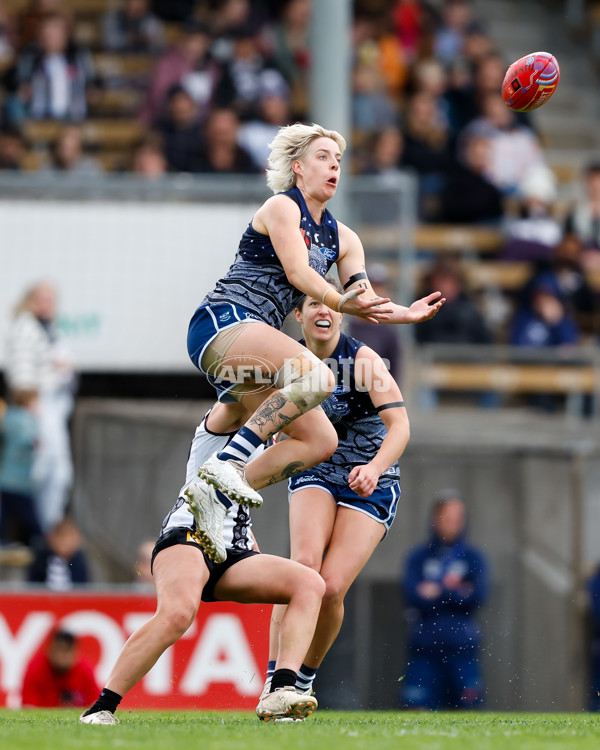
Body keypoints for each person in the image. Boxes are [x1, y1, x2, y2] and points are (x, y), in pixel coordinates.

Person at [183, 121, 444, 566]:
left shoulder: (346, 238)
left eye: (338, 160)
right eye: (323, 157)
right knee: (317, 377)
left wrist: (403, 312)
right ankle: (224, 466)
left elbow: (363, 300)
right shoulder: (281, 207)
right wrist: (341, 300)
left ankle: (213, 496)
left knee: (319, 441)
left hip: (255, 344)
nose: (334, 166)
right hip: (222, 322)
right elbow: (301, 275)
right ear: (297, 167)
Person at [79, 409, 325, 724]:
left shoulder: (270, 436)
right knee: (178, 614)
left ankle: (280, 690)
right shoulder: (226, 415)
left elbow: (242, 499)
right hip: (189, 534)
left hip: (233, 548)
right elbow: (236, 394)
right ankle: (101, 708)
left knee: (310, 584)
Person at [259, 278, 410, 706]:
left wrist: (375, 467)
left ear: (342, 315)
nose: (323, 312)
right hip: (317, 470)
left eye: (331, 307)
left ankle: (304, 678)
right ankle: (275, 683)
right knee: (301, 569)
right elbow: (273, 418)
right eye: (313, 304)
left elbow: (401, 428)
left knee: (329, 587)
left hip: (371, 478)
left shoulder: (364, 361)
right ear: (299, 315)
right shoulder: (286, 363)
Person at [400, 490, 489, 710]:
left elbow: (478, 597)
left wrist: (437, 590)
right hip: (424, 647)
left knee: (468, 710)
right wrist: (455, 590)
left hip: (462, 648)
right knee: (417, 709)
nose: (452, 523)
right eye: (447, 517)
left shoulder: (473, 557)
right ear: (435, 519)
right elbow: (412, 595)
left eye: (458, 518)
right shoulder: (418, 557)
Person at [4, 282, 77, 532]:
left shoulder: (47, 328)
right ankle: (41, 529)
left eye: (51, 298)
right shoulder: (27, 326)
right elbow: (22, 369)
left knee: (57, 470)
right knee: (45, 467)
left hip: (52, 405)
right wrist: (30, 400)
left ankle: (47, 527)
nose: (47, 304)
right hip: (39, 405)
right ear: (31, 300)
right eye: (42, 298)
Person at [0, 388, 44, 547]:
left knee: (5, 515)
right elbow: (29, 440)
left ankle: (4, 544)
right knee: (30, 517)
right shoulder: (27, 420)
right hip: (20, 480)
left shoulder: (9, 416)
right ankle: (43, 545)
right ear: (28, 403)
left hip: (5, 477)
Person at [21, 629, 98, 708]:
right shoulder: (36, 669)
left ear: (75, 652)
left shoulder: (84, 670)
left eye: (68, 650)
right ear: (50, 650)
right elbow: (28, 707)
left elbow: (95, 704)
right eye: (60, 649)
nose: (64, 655)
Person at [28, 516, 90, 589]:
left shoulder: (78, 561)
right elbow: (34, 584)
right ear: (52, 538)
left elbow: (83, 585)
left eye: (69, 540)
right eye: (62, 538)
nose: (65, 544)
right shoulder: (42, 558)